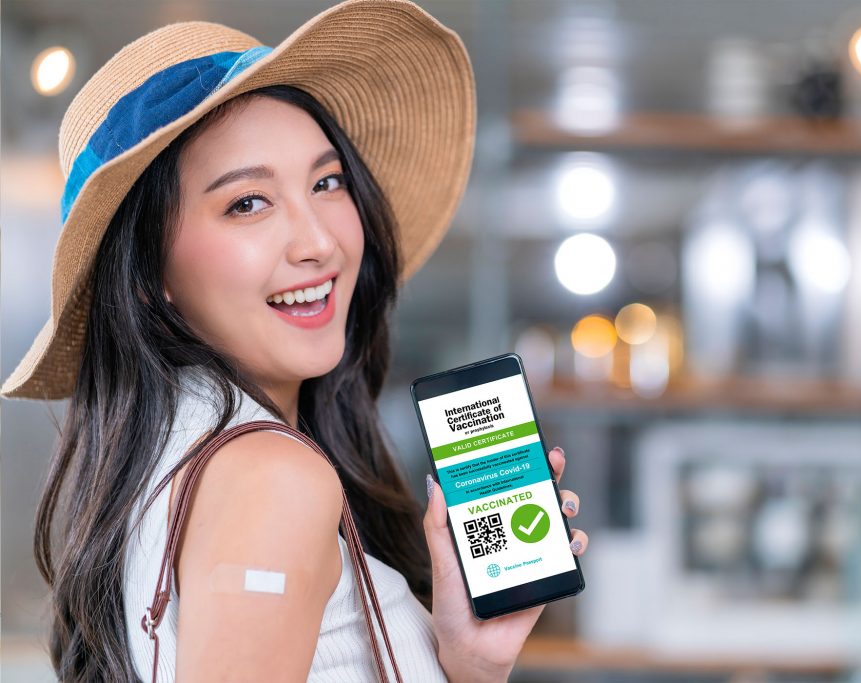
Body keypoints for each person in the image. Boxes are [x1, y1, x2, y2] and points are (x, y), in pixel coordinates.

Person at [1, 2, 589, 681]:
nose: (317, 242)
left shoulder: (176, 466)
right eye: (247, 202)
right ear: (148, 274)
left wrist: (469, 663)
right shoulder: (272, 478)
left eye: (326, 181)